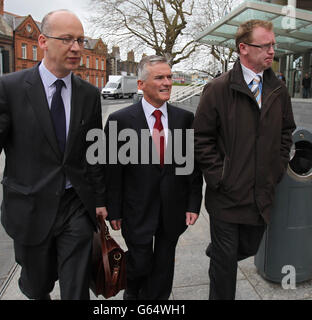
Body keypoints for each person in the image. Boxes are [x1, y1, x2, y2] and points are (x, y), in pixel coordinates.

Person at [0, 9, 107, 300]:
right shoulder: (8, 89)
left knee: (77, 290)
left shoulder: (88, 94)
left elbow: (93, 152)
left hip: (76, 208)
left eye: (80, 40)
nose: (76, 48)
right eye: (66, 39)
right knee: (37, 288)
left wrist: (100, 199)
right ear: (42, 41)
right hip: (29, 211)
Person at [193, 19, 296, 300]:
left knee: (249, 247)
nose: (272, 51)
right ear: (244, 48)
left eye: (273, 45)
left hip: (262, 192)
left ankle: (218, 251)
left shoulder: (278, 89)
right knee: (225, 269)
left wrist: (277, 167)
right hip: (227, 196)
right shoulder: (218, 89)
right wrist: (219, 175)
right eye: (265, 45)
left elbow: (287, 131)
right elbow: (201, 138)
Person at [105, 55, 203, 300]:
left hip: (173, 209)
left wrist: (193, 203)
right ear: (141, 84)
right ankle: (132, 294)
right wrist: (113, 210)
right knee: (139, 263)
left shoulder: (184, 119)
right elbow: (112, 171)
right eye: (159, 77)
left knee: (163, 267)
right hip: (136, 210)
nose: (167, 82)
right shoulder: (120, 120)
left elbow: (190, 166)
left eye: (169, 77)